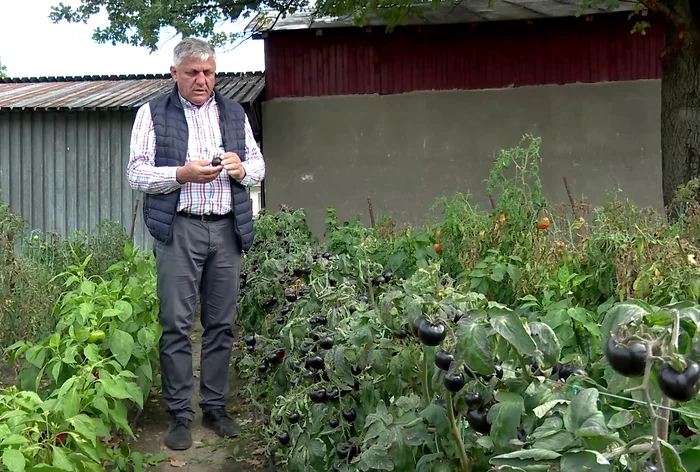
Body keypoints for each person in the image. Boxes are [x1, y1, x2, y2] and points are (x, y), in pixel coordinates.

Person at [126, 37, 265, 451]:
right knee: (177, 325)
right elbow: (136, 174)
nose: (202, 80)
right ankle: (180, 415)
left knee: (221, 324)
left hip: (226, 229)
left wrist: (242, 169)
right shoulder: (151, 114)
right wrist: (180, 174)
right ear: (175, 74)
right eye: (193, 73)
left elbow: (259, 167)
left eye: (208, 72)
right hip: (180, 230)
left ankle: (215, 408)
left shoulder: (235, 112)